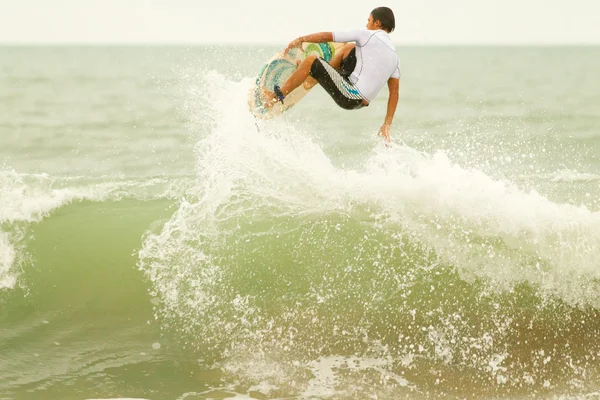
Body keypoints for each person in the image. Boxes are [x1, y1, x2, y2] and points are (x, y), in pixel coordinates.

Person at [262, 7, 400, 143]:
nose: (366, 24)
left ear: (377, 23)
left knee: (312, 60)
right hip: (359, 100)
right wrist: (387, 124)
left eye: (369, 20)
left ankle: (273, 98)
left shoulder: (366, 35)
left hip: (350, 93)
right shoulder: (395, 57)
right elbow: (394, 92)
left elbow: (327, 36)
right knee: (349, 48)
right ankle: (309, 75)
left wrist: (301, 39)